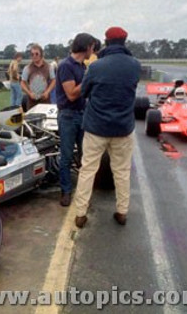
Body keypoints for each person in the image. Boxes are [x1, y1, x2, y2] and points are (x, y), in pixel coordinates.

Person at [73, 26, 141, 228]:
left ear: (107, 42)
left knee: (88, 170)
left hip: (96, 127)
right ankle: (122, 211)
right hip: (123, 128)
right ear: (124, 41)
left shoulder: (96, 67)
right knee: (121, 171)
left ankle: (80, 214)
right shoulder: (135, 65)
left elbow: (84, 93)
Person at [56, 33, 97, 207]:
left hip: (82, 114)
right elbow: (72, 94)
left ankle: (83, 190)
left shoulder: (82, 66)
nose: (93, 50)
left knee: (85, 155)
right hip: (68, 115)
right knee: (66, 156)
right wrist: (90, 77)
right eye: (92, 47)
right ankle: (66, 191)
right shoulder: (66, 66)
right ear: (86, 46)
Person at [20, 44, 56, 110]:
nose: (34, 56)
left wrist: (47, 92)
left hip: (45, 102)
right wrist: (29, 93)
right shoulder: (27, 68)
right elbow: (22, 83)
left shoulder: (49, 67)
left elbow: (54, 81)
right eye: (32, 54)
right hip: (32, 103)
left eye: (36, 54)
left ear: (41, 54)